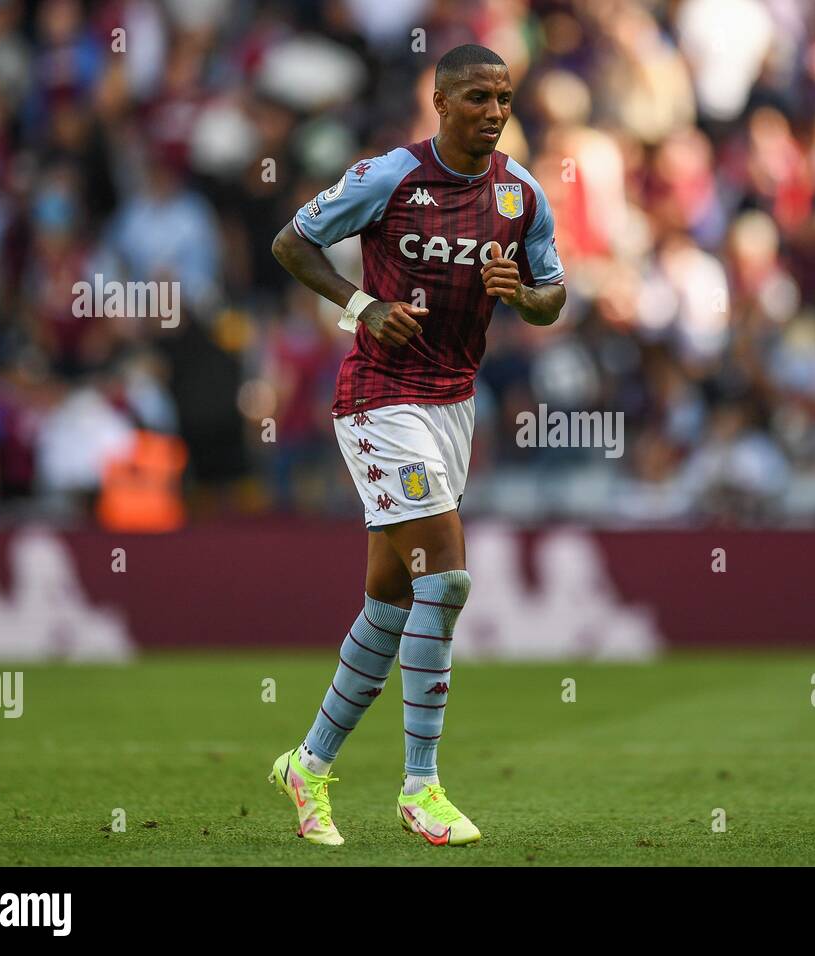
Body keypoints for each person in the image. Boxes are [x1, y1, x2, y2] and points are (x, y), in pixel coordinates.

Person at [268, 43, 566, 847]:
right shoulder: (388, 177)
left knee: (392, 604)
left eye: (503, 96)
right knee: (452, 572)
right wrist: (362, 305)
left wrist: (526, 296)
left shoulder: (520, 195)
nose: (494, 110)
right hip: (378, 400)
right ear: (440, 101)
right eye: (476, 96)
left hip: (453, 408)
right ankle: (422, 785)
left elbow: (552, 296)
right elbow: (291, 244)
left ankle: (307, 764)